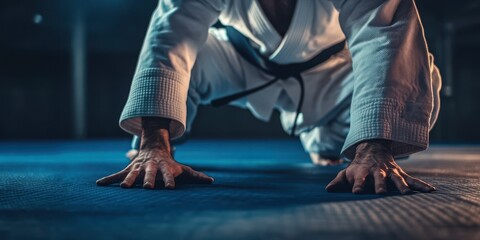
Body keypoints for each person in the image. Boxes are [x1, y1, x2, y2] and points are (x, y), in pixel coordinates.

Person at [96, 0, 442, 194]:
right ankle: (162, 144)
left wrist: (375, 148)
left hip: (332, 71)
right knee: (187, 56)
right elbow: (170, 34)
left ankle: (328, 140)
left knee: (418, 69)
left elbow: (381, 29)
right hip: (241, 61)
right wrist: (152, 143)